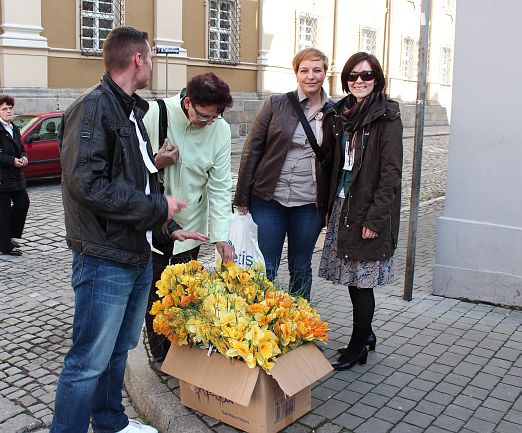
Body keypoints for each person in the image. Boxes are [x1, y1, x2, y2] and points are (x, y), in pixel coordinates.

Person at [50, 27, 206, 433]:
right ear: (138, 58)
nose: (153, 64)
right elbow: (88, 185)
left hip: (135, 252)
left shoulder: (131, 111)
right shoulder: (93, 108)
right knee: (86, 363)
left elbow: (138, 181)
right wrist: (156, 206)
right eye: (151, 57)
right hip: (103, 258)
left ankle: (110, 423)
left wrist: (167, 226)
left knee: (118, 351)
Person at [142, 72, 235, 366]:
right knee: (155, 293)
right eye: (203, 117)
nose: (209, 123)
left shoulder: (220, 129)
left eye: (215, 118)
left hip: (191, 226)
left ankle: (180, 347)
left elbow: (220, 186)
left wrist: (221, 236)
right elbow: (129, 169)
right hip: (154, 223)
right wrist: (156, 162)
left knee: (184, 292)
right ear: (187, 103)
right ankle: (160, 353)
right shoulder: (155, 114)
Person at [318, 52, 403, 371]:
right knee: (353, 278)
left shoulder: (387, 117)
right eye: (353, 76)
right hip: (344, 206)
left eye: (366, 76)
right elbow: (338, 167)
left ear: (377, 80)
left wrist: (375, 219)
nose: (359, 81)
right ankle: (366, 335)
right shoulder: (343, 114)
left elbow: (391, 174)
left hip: (367, 212)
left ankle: (358, 346)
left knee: (363, 280)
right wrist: (329, 206)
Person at [233, 47, 335, 300]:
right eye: (304, 70)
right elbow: (252, 150)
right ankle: (261, 324)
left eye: (317, 70)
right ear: (296, 73)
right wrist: (241, 199)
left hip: (309, 203)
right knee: (266, 265)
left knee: (301, 266)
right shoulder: (276, 104)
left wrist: (333, 206)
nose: (311, 76)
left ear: (325, 73)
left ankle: (298, 326)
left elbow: (337, 162)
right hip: (269, 199)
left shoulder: (336, 112)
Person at [0, 95, 30, 256]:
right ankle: (5, 246)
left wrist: (24, 157)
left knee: (23, 203)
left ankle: (7, 236)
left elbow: (20, 147)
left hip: (15, 177)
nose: (8, 111)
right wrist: (11, 161)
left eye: (10, 108)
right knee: (4, 212)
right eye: (4, 109)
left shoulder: (13, 127)